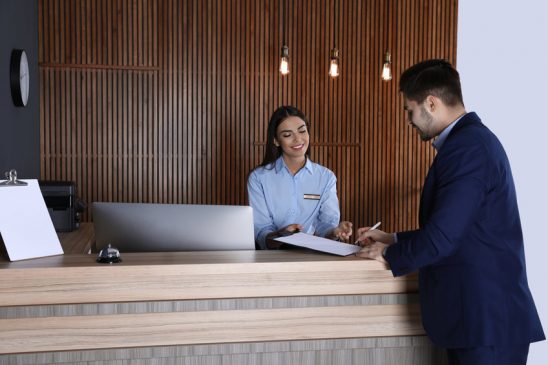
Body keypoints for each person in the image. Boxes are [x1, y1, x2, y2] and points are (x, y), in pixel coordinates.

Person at [355, 59, 544, 364]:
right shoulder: (469, 142)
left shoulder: (468, 148)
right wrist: (391, 239)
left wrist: (386, 254)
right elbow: (462, 229)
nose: (408, 120)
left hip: (487, 324)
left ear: (431, 103)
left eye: (409, 110)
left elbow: (442, 237)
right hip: (483, 323)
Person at [247, 106, 352, 249]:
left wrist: (335, 232)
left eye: (302, 131)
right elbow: (261, 232)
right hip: (271, 257)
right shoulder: (258, 178)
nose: (298, 139)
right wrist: (280, 235)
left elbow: (325, 225)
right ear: (276, 141)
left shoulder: (326, 177)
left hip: (310, 255)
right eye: (287, 135)